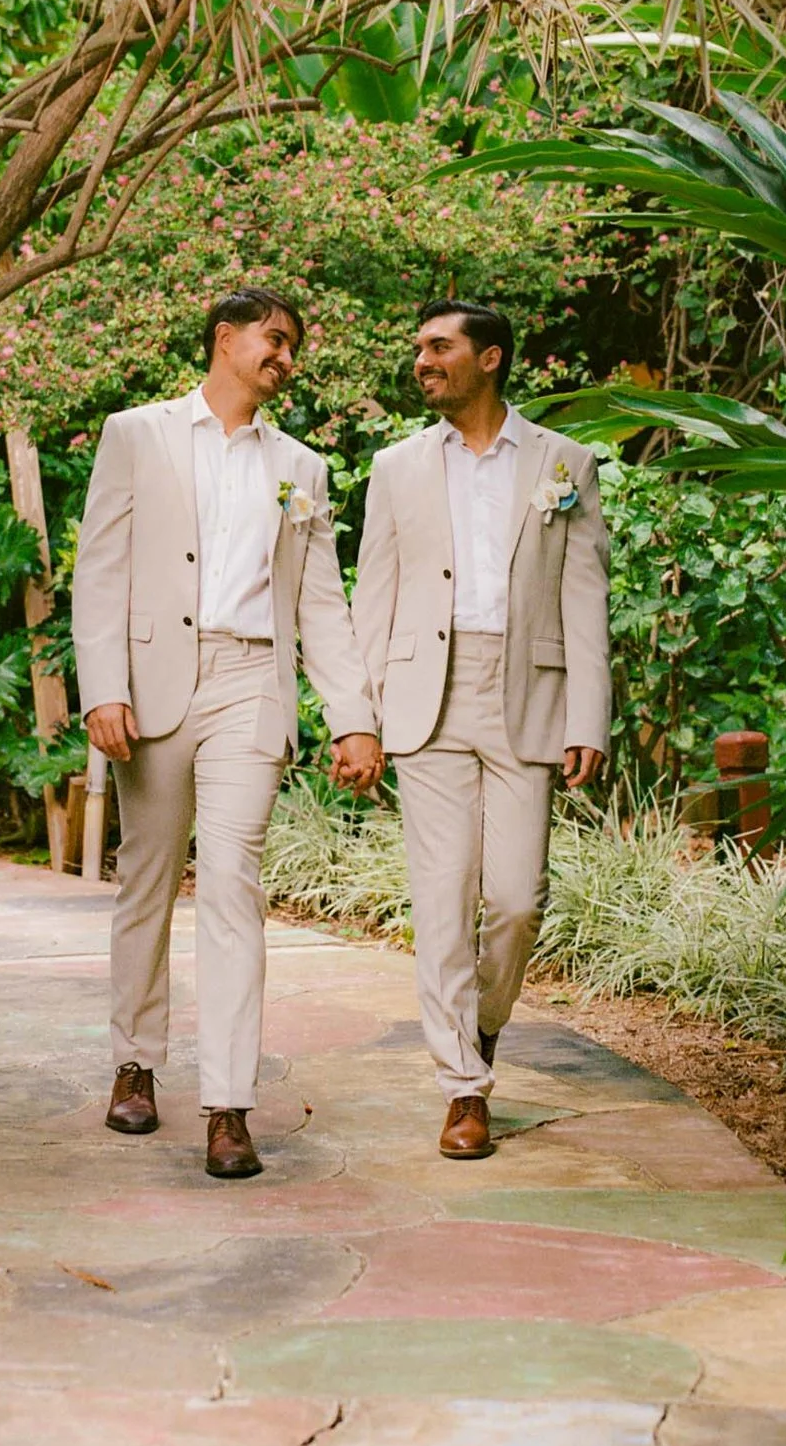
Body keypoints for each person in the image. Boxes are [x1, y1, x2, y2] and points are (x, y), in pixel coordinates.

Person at [70, 287, 365, 1179]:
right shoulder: (138, 433)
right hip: (156, 682)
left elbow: (322, 603)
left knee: (235, 883)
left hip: (251, 685)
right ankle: (136, 1062)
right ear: (224, 339)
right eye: (274, 340)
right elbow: (100, 570)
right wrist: (103, 690)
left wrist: (352, 719)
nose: (286, 358)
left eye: (293, 347)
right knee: (148, 880)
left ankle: (229, 1106)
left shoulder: (302, 469)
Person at [336, 301, 611, 1157]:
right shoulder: (396, 465)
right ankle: (464, 1088)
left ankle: (481, 1023)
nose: (422, 360)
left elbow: (584, 591)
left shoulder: (563, 463)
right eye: (419, 346)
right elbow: (372, 593)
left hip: (527, 691)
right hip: (427, 696)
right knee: (444, 900)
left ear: (489, 358)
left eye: (438, 347)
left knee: (517, 902)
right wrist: (360, 717)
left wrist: (588, 714)